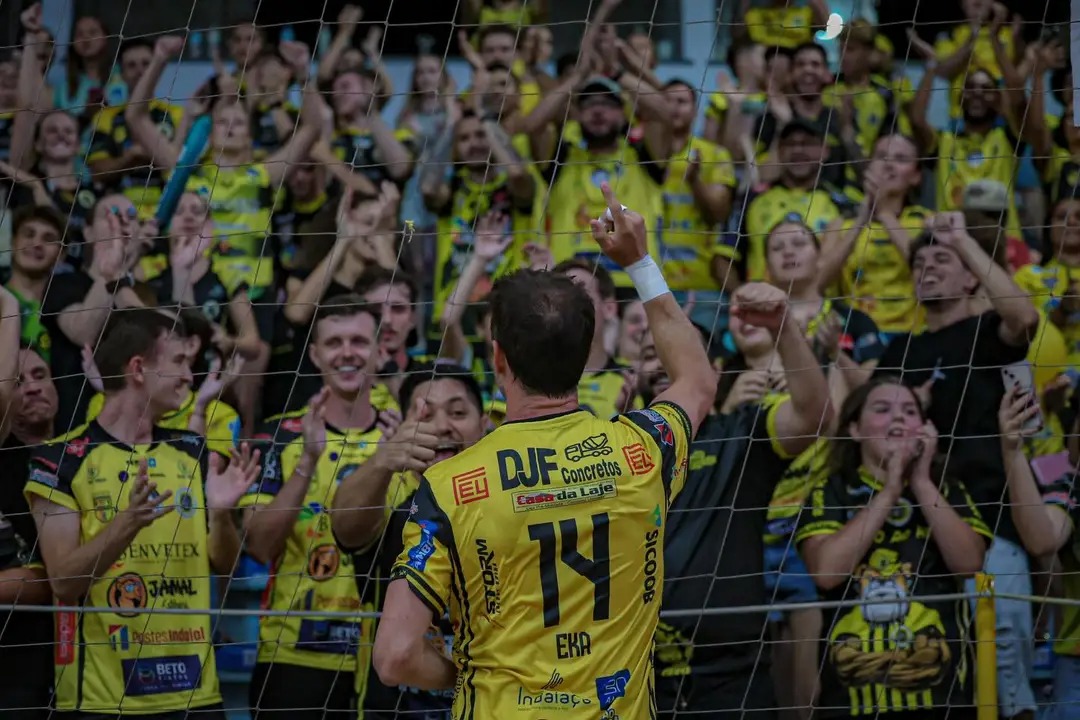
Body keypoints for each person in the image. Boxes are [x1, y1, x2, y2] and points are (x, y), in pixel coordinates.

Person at [371, 183, 715, 715]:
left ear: (499, 359)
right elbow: (696, 378)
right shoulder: (642, 451)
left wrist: (468, 672)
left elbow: (394, 658)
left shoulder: (450, 485)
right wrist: (641, 261)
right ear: (585, 353)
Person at [25, 308, 260, 718]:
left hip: (195, 697)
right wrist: (126, 523)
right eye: (180, 362)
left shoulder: (194, 452)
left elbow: (227, 563)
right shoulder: (60, 460)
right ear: (138, 368)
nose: (190, 376)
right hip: (102, 701)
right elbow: (63, 582)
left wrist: (222, 516)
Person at [875, 211, 1041, 720]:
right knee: (942, 673)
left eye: (940, 259)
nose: (927, 267)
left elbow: (1026, 319)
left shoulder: (987, 330)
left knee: (1003, 675)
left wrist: (961, 239)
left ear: (970, 274)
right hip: (919, 535)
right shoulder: (901, 350)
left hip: (994, 521)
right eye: (919, 261)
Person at [649, 280, 832, 718]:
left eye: (668, 355)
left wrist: (784, 326)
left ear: (710, 370)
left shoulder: (739, 432)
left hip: (733, 674)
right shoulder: (615, 448)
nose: (656, 362)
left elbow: (813, 415)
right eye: (646, 356)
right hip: (639, 670)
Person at [796, 378, 990, 720]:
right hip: (850, 703)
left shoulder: (947, 490)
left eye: (910, 411)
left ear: (926, 429)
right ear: (854, 430)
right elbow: (826, 573)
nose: (898, 419)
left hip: (942, 698)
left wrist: (920, 481)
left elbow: (969, 562)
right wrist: (888, 493)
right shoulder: (832, 491)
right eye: (883, 410)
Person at [241, 297, 397, 719]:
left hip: (385, 656)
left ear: (381, 350)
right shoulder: (279, 436)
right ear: (314, 355)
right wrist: (307, 462)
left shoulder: (400, 436)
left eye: (360, 341)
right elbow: (258, 547)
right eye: (334, 342)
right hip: (294, 656)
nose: (347, 352)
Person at [332, 362, 487, 718]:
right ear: (403, 430)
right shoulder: (389, 511)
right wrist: (382, 461)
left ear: (484, 426)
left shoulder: (512, 509)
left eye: (458, 412)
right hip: (395, 708)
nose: (442, 426)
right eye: (425, 415)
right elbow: (344, 528)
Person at [0, 291, 52, 720]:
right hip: (14, 660)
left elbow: (58, 573)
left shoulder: (84, 452)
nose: (33, 385)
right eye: (19, 380)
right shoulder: (3, 463)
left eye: (41, 374)